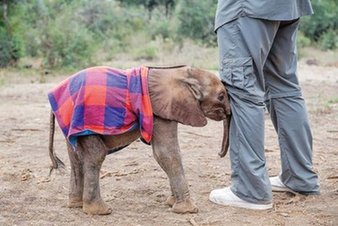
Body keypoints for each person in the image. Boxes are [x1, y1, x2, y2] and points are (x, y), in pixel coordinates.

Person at [209, 0, 320, 210]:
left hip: (247, 7)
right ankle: (300, 177)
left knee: (242, 89)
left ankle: (249, 190)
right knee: (285, 88)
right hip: (288, 6)